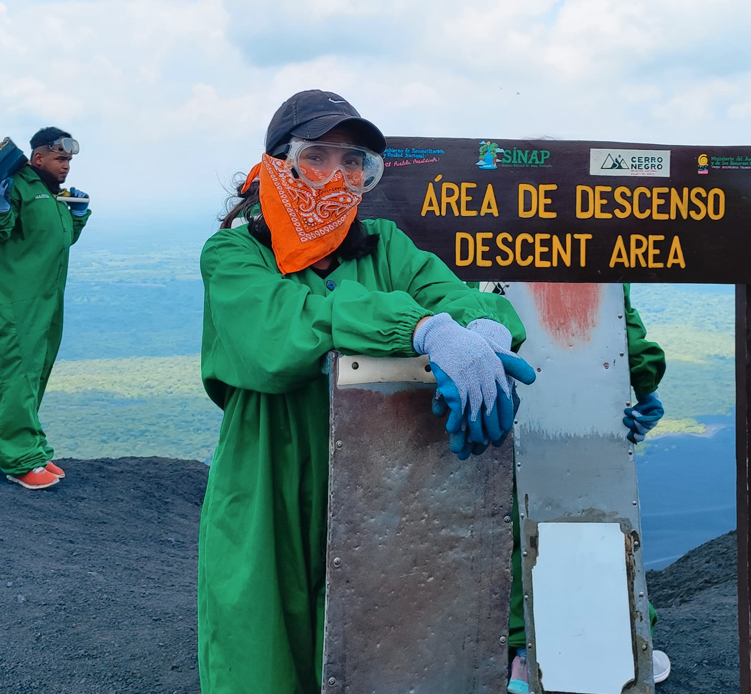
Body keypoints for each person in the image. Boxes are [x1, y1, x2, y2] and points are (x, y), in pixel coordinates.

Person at [196, 89, 534, 694]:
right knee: (262, 647)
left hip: (382, 472)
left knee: (377, 635)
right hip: (270, 469)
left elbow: (458, 295)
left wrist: (483, 328)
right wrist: (419, 328)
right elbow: (277, 335)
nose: (338, 175)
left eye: (356, 162)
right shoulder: (233, 254)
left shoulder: (384, 245)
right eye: (317, 155)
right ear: (279, 165)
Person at [506, 284, 669, 693]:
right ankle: (617, 642)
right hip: (584, 384)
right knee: (589, 505)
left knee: (517, 511)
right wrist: (645, 386)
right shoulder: (597, 233)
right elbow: (618, 315)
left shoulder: (484, 235)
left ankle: (523, 650)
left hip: (507, 387)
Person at [0, 126, 90, 490]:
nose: (66, 165)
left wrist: (77, 215)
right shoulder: (16, 185)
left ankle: (33, 450)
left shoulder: (52, 194)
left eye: (69, 160)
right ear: (38, 157)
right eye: (59, 158)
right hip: (13, 303)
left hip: (45, 302)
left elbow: (60, 241)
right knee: (13, 379)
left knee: (35, 374)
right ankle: (18, 460)